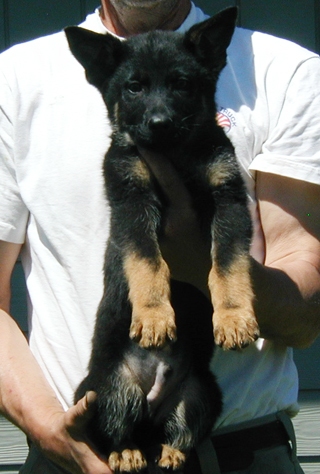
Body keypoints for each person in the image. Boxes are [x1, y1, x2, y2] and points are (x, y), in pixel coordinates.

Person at [0, 0, 320, 473]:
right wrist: (50, 430)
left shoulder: (286, 71)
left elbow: (306, 310)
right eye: (136, 88)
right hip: (78, 443)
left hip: (236, 452)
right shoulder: (14, 77)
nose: (158, 111)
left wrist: (211, 273)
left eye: (179, 86)